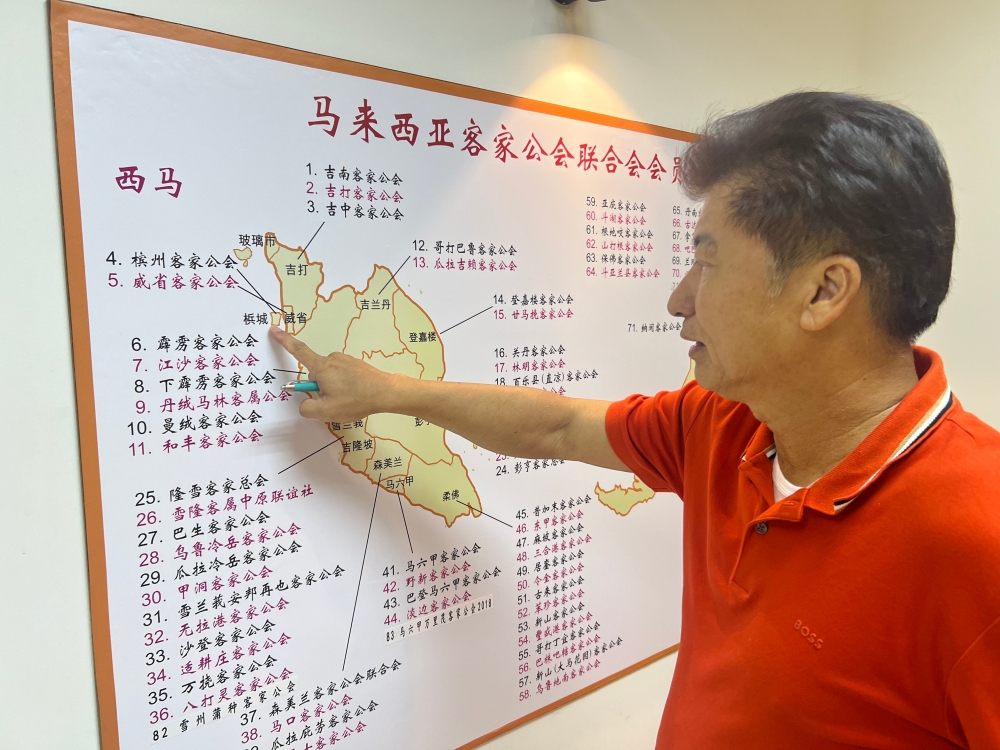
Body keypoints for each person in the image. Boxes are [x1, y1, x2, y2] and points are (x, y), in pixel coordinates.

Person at [270, 92, 1000, 749]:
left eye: (707, 263)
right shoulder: (723, 426)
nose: (679, 300)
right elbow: (557, 428)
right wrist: (388, 391)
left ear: (824, 290)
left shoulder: (977, 533)